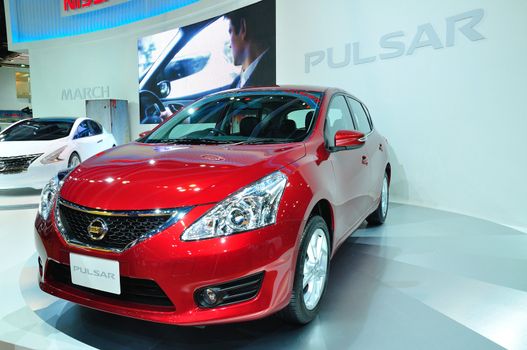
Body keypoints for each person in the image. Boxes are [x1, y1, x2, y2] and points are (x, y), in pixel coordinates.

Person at [224, 1, 276, 88]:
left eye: (230, 32)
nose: (230, 45)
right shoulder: (239, 81)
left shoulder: (270, 81)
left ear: (243, 29)